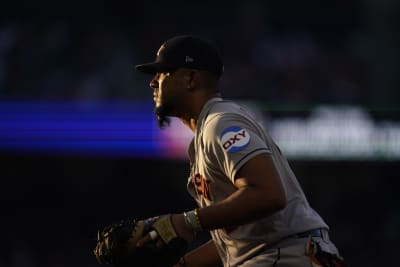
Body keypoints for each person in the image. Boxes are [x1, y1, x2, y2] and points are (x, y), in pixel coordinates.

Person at [134, 34, 345, 267]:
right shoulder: (205, 134)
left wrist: (186, 222)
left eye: (163, 73)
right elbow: (239, 240)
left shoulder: (220, 123)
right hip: (282, 253)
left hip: (285, 255)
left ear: (190, 78)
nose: (153, 82)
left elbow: (268, 194)